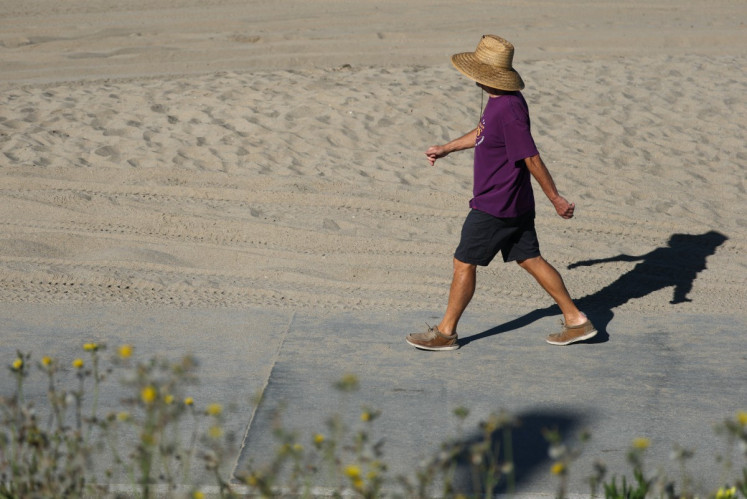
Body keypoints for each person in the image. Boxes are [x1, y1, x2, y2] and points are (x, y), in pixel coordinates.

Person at [405, 35, 596, 351]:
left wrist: (556, 199)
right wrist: (446, 148)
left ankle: (446, 333)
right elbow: (483, 134)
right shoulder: (501, 102)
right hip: (515, 202)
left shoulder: (508, 109)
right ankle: (576, 320)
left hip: (496, 204)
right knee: (530, 259)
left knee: (463, 263)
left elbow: (531, 158)